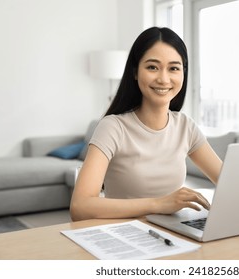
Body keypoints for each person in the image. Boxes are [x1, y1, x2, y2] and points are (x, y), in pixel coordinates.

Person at [70, 27, 223, 221]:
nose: (163, 79)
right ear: (135, 72)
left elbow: (229, 183)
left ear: (183, 74)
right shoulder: (112, 127)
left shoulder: (186, 127)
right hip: (125, 237)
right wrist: (159, 204)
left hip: (174, 236)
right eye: (152, 67)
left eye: (174, 68)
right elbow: (80, 206)